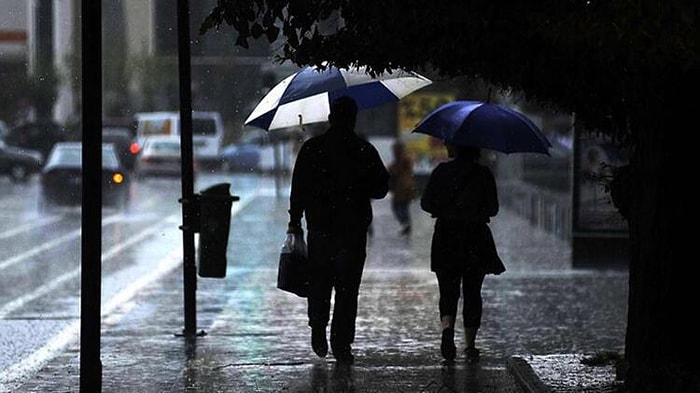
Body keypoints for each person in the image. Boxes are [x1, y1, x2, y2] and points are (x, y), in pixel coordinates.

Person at [287, 95, 390, 364]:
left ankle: (318, 328)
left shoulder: (312, 149)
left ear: (330, 118)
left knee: (319, 283)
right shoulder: (364, 150)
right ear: (354, 119)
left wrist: (294, 221)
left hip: (320, 230)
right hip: (352, 232)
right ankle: (341, 343)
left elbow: (298, 189)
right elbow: (381, 188)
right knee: (347, 289)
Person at [419, 143, 504, 363]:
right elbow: (493, 208)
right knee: (473, 291)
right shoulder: (484, 174)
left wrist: (444, 209)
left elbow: (425, 203)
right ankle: (470, 344)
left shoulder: (441, 171)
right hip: (475, 237)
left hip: (446, 236)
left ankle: (447, 327)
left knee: (448, 290)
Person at [387, 139, 417, 236]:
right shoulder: (405, 158)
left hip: (402, 187)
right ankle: (406, 224)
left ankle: (405, 224)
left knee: (398, 207)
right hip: (407, 186)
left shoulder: (402, 159)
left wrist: (391, 168)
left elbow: (396, 170)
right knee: (403, 207)